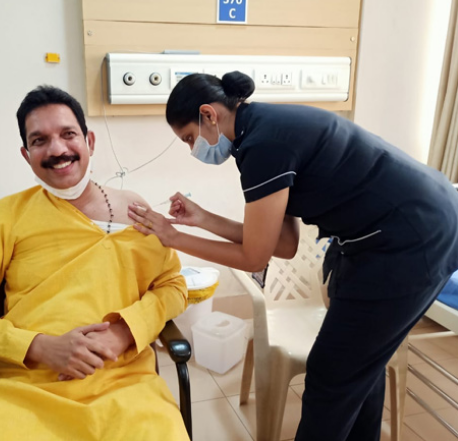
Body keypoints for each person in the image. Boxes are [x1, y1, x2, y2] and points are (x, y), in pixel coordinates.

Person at [128, 71, 458, 441]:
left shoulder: (263, 146)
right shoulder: (262, 129)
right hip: (405, 227)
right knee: (358, 369)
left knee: (331, 377)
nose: (194, 150)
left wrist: (173, 236)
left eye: (190, 138)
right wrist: (202, 219)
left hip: (411, 238)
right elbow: (282, 244)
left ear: (208, 114)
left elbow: (254, 258)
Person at [0, 86, 189, 441]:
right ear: (26, 155)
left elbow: (173, 285)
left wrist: (124, 332)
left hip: (123, 382)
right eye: (39, 140)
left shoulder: (133, 211)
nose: (57, 150)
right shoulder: (7, 215)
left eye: (68, 134)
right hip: (24, 387)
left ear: (89, 141)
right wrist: (40, 347)